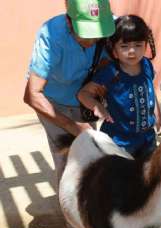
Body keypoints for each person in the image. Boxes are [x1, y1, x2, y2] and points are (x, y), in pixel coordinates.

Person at [78, 15, 161, 228]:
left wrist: (158, 115)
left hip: (147, 138)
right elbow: (83, 93)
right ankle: (122, 224)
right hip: (119, 141)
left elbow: (151, 91)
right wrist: (97, 107)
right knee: (122, 183)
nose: (132, 51)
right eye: (125, 46)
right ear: (114, 48)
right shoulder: (110, 73)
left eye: (137, 45)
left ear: (145, 45)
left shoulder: (147, 66)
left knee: (153, 179)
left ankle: (158, 221)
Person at [23, 0, 115, 180]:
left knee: (91, 156)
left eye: (97, 34)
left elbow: (117, 59)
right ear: (68, 21)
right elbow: (32, 95)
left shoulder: (111, 25)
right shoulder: (51, 35)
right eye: (85, 34)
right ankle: (67, 205)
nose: (92, 40)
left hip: (85, 102)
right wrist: (72, 126)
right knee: (65, 159)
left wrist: (98, 84)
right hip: (52, 103)